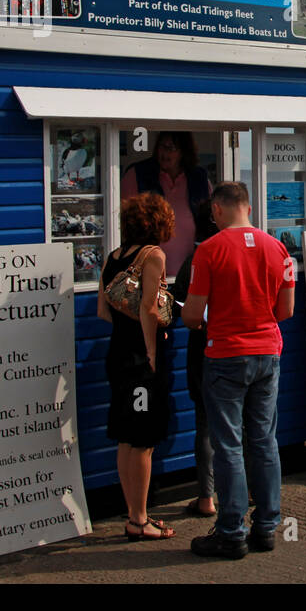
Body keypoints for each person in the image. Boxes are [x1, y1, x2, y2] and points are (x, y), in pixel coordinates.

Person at [183, 182, 295, 559]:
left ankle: (231, 531)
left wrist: (195, 317)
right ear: (247, 207)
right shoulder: (278, 248)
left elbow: (193, 315)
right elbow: (286, 311)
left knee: (228, 444)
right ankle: (266, 526)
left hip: (225, 355)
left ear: (217, 209)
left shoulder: (208, 251)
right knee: (263, 439)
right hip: (267, 353)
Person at [97, 193, 176, 540]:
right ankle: (139, 519)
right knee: (143, 438)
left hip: (117, 355)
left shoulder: (112, 257)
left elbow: (103, 311)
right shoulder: (153, 256)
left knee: (125, 437)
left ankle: (133, 514)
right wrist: (151, 353)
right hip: (140, 362)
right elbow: (148, 308)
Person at [169, 200, 218, 518]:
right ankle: (253, 489)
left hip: (205, 350)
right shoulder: (246, 251)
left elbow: (184, 311)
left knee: (205, 422)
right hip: (250, 349)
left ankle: (206, 498)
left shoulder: (195, 260)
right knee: (247, 422)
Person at [121, 131, 212, 278]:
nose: (164, 152)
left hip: (190, 275)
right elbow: (123, 224)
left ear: (184, 151)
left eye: (171, 148)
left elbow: (209, 221)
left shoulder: (199, 179)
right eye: (162, 147)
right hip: (147, 274)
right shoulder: (137, 174)